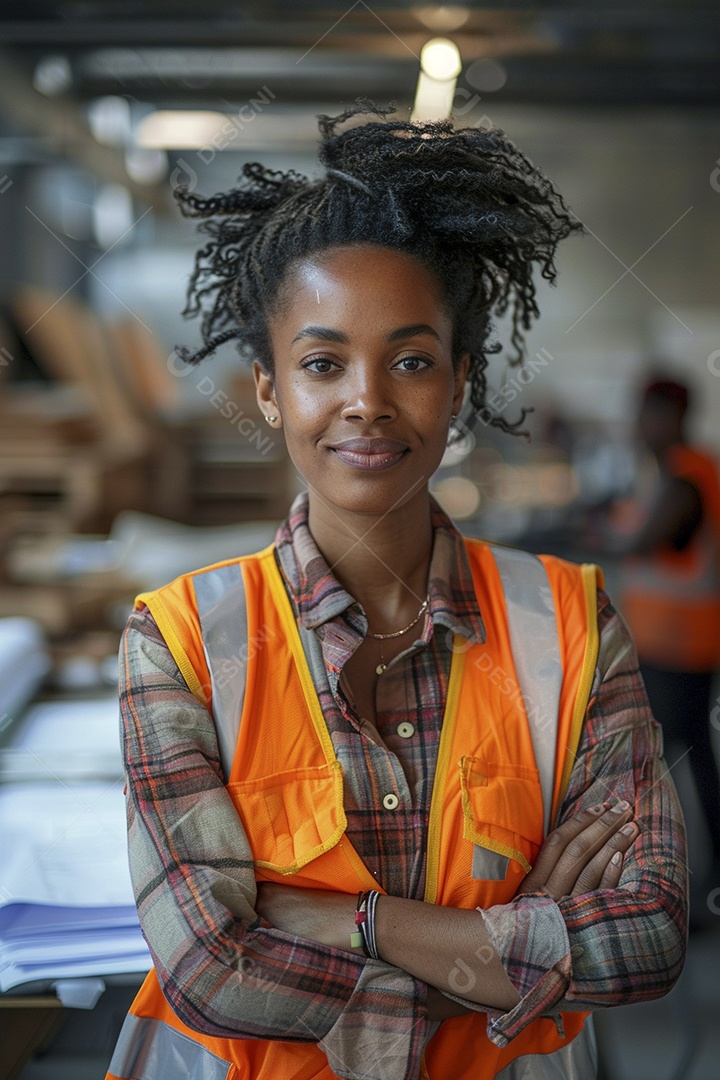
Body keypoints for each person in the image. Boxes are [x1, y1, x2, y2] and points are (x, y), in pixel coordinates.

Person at [107, 104, 687, 1080]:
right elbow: (210, 969)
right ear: (269, 390)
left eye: (411, 361)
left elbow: (649, 937)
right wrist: (510, 948)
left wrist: (351, 922)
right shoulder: (181, 641)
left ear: (458, 384)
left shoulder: (572, 625)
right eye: (322, 363)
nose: (368, 401)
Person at [616, 377, 720, 893]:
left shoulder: (685, 479)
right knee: (690, 759)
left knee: (674, 766)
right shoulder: (674, 472)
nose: (637, 424)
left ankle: (688, 886)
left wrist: (600, 534)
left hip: (680, 646)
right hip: (672, 644)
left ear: (669, 416)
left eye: (644, 413)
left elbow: (643, 541)